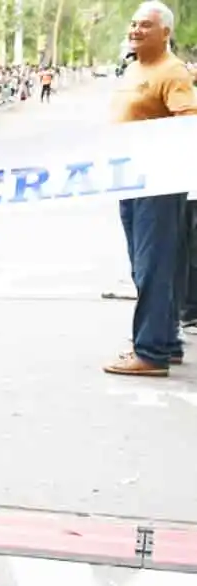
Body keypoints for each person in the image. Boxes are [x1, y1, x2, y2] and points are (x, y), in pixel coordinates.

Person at [104, 1, 197, 377]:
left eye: (146, 25)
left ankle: (151, 351)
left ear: (165, 33)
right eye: (133, 24)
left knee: (153, 265)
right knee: (149, 265)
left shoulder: (172, 71)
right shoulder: (134, 67)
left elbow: (188, 120)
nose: (135, 30)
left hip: (157, 183)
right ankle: (166, 340)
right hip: (131, 179)